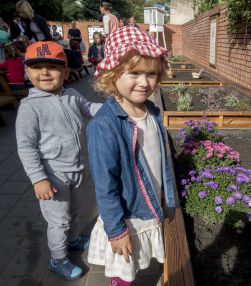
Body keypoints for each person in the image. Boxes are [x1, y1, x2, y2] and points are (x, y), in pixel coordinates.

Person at [87, 26, 176, 286]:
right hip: (127, 214)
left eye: (151, 74)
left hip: (148, 202)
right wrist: (116, 231)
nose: (144, 82)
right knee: (125, 266)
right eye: (134, 73)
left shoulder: (152, 110)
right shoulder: (105, 125)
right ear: (112, 74)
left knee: (138, 261)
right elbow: (106, 184)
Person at [15, 41, 102, 281]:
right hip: (53, 176)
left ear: (65, 72)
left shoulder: (71, 94)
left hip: (79, 170)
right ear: (27, 72)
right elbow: (26, 146)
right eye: (37, 67)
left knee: (74, 211)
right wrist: (38, 179)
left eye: (52, 67)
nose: (44, 72)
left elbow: (89, 108)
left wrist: (111, 109)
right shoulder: (29, 108)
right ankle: (58, 258)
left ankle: (73, 240)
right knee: (59, 221)